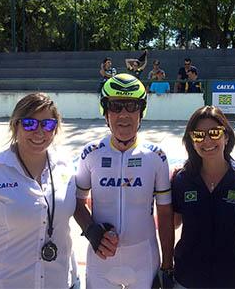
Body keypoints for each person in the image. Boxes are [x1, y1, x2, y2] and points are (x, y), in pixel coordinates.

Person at [0, 93, 79, 289]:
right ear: (15, 125)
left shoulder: (67, 168)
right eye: (30, 124)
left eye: (47, 125)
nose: (39, 132)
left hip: (59, 283)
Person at [74, 73, 174, 288]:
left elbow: (165, 214)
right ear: (105, 111)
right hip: (101, 260)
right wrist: (91, 230)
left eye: (132, 106)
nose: (124, 115)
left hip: (144, 260)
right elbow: (76, 202)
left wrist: (167, 266)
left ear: (142, 111)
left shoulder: (156, 157)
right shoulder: (90, 153)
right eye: (116, 106)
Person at [171, 106, 235, 288]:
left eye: (214, 133)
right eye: (198, 135)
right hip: (189, 279)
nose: (207, 140)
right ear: (191, 140)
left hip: (234, 279)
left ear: (226, 136)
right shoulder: (182, 180)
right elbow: (171, 224)